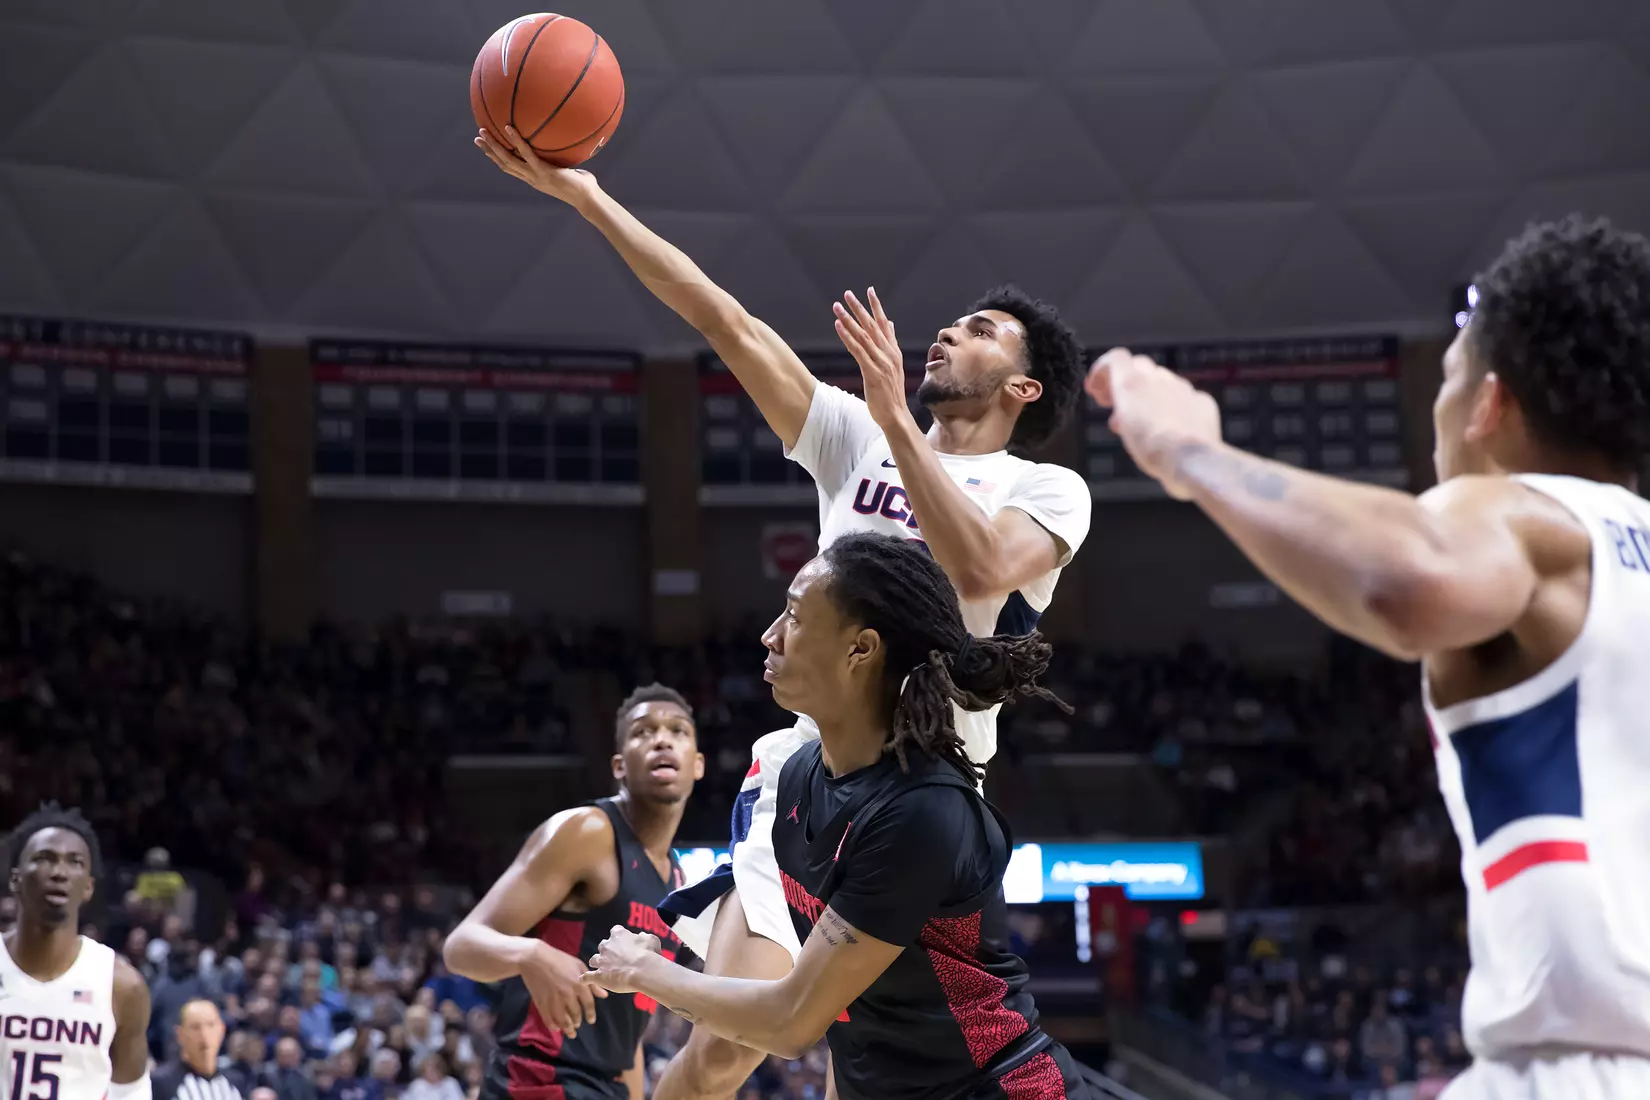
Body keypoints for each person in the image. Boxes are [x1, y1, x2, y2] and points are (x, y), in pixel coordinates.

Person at [475, 125, 1094, 1100]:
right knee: (723, 1046)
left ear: (1023, 387)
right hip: (809, 780)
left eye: (978, 331)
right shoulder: (853, 434)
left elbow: (979, 572)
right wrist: (589, 200)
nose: (947, 331)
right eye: (954, 321)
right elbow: (719, 314)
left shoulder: (1046, 487)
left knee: (876, 1065)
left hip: (928, 794)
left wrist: (897, 416)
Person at [1085, 214, 1650, 1098]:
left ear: (1490, 405)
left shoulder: (1533, 517)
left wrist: (1186, 451)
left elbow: (1409, 575)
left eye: (1448, 383)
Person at [583, 532, 1094, 1100]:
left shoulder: (921, 812)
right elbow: (846, 1018)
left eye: (795, 617)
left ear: (860, 649)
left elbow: (793, 1021)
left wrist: (644, 972)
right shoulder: (799, 774)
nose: (770, 635)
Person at [443, 685, 705, 1100]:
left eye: (678, 731)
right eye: (643, 731)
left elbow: (628, 1035)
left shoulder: (677, 880)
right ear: (619, 765)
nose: (661, 739)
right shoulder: (586, 831)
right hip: (539, 1081)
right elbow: (460, 947)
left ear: (698, 765)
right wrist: (531, 954)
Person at [1, 803, 152, 1100]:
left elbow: (130, 1093)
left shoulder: (122, 986)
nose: (60, 872)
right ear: (15, 879)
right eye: (45, 858)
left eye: (75, 862)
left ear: (88, 888)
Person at [154, 999, 244, 1100]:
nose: (204, 1035)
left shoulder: (235, 1083)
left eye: (211, 1025)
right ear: (179, 1034)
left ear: (222, 1030)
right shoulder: (161, 1083)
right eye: (195, 1027)